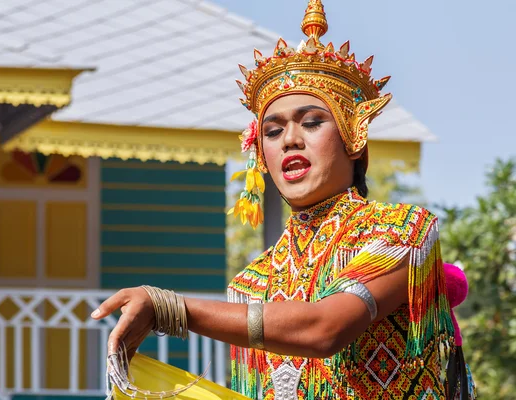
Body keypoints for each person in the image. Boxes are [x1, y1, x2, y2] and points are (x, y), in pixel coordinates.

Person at [92, 1, 476, 398]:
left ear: (354, 139)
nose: (291, 138)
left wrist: (172, 308)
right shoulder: (253, 281)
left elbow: (325, 329)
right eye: (273, 132)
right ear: (261, 154)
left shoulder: (401, 231)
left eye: (311, 122)